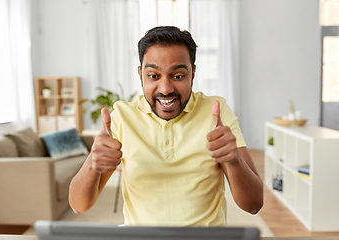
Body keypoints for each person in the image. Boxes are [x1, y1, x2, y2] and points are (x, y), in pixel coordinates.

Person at [69, 26, 263, 226]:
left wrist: (233, 160)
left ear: (193, 73)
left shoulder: (216, 113)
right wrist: (93, 160)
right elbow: (78, 205)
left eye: (178, 76)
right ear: (140, 74)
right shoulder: (122, 118)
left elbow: (254, 204)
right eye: (153, 76)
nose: (166, 89)